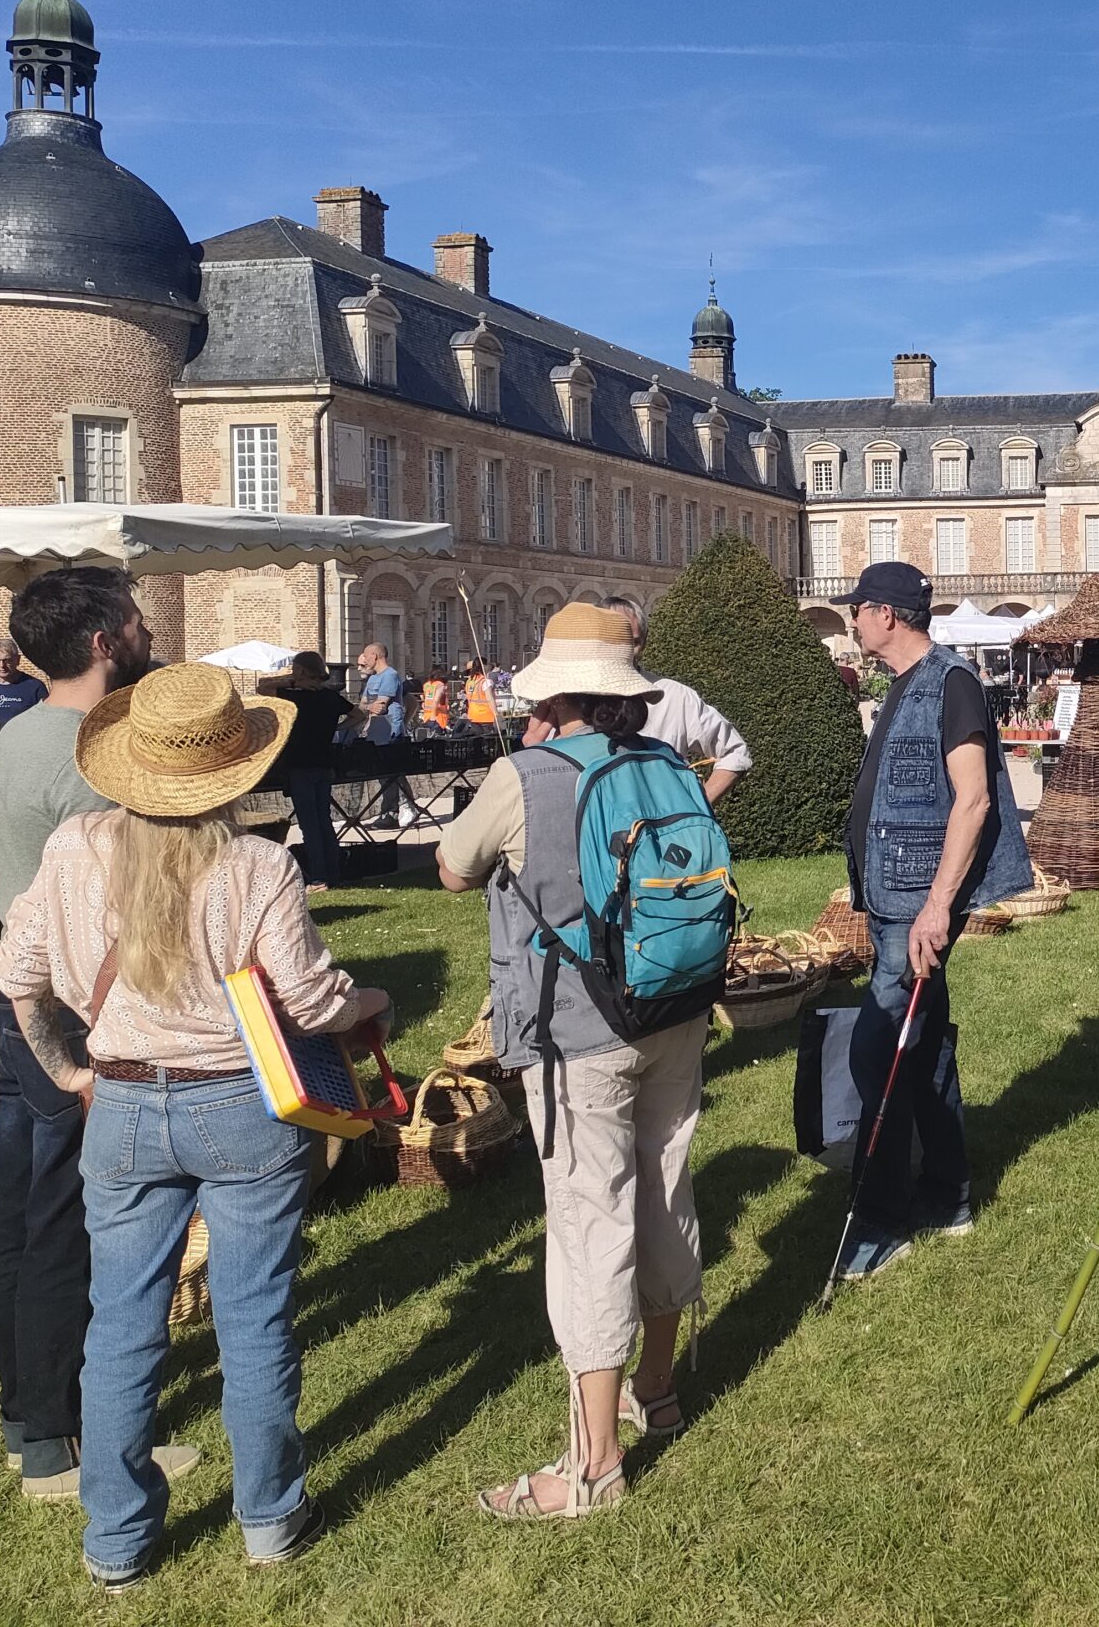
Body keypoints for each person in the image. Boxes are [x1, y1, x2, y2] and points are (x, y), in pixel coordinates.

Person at [0, 663, 390, 1591]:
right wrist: (369, 1001)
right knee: (254, 1319)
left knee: (120, 1327)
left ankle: (117, 1540)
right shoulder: (258, 867)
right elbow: (311, 1001)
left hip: (123, 1104)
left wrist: (70, 1074)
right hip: (242, 1107)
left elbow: (18, 979)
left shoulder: (74, 848)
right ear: (235, 768)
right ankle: (271, 1518)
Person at [435, 605, 713, 1519]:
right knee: (664, 1188)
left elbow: (452, 867)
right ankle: (657, 1390)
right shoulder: (665, 761)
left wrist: (527, 762)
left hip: (578, 1028)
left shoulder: (523, 775)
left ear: (553, 697)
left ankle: (593, 1467)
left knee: (591, 1224)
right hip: (673, 1004)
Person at [0, 568, 199, 1505]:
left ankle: (24, 1417)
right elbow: (122, 905)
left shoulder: (13, 735)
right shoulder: (88, 757)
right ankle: (56, 1445)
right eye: (138, 621)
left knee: (17, 1210)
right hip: (69, 1012)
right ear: (106, 640)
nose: (148, 634)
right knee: (66, 1219)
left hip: (12, 994)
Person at [831, 561, 1032, 1281]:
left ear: (886, 615)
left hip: (916, 907)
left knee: (877, 1053)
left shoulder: (952, 683)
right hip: (894, 898)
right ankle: (948, 1195)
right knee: (924, 1049)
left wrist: (939, 905)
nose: (852, 620)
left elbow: (973, 800)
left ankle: (883, 1220)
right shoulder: (905, 682)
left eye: (857, 609)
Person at [598, 595, 750, 804]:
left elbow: (735, 752)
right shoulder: (570, 699)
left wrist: (697, 808)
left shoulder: (674, 697)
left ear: (643, 643)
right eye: (615, 639)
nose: (623, 650)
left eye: (632, 642)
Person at [265, 652, 353, 891]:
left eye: (295, 669)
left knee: (310, 825)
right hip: (324, 763)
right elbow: (358, 714)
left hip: (300, 764)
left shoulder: (294, 697)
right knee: (324, 821)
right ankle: (333, 874)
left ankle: (318, 878)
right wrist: (337, 728)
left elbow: (263, 687)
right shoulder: (330, 697)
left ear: (301, 671)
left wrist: (292, 682)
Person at [354, 642, 412, 827]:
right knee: (383, 775)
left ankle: (407, 807)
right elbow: (363, 705)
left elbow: (380, 706)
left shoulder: (391, 676)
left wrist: (370, 707)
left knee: (394, 772)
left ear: (374, 655)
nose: (364, 660)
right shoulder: (372, 679)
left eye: (365, 656)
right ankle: (389, 813)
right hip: (375, 732)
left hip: (391, 731)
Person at [0, 637, 49, 725]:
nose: (2, 666)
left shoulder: (35, 687)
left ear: (18, 660)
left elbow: (46, 720)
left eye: (7, 661)